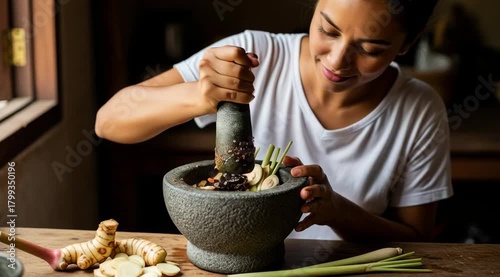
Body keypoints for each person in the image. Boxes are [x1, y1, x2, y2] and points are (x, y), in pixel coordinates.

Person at [95, 0, 454, 242]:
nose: (338, 60)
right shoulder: (257, 54)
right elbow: (108, 121)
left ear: (407, 44)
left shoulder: (419, 109)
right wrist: (200, 96)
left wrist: (337, 211)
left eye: (370, 49)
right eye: (328, 31)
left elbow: (418, 241)